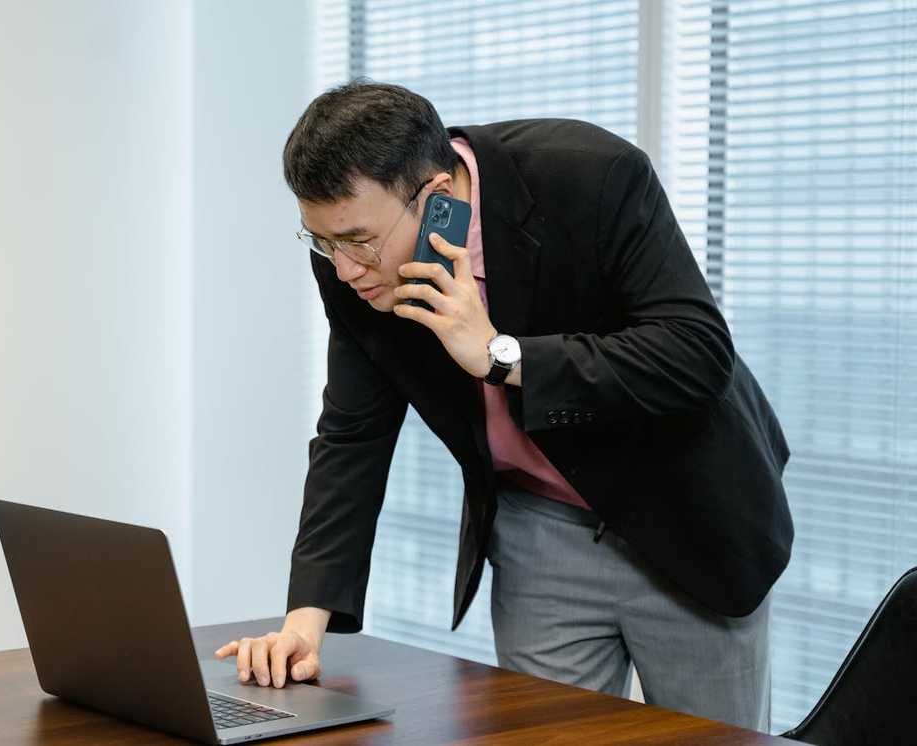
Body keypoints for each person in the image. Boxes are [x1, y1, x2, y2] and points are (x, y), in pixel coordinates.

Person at [215, 80, 792, 731]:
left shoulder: (590, 175)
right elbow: (352, 435)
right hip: (539, 528)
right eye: (321, 241)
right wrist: (304, 622)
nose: (344, 268)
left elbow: (695, 352)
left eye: (356, 241)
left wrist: (499, 356)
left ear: (433, 199)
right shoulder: (353, 260)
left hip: (686, 513)